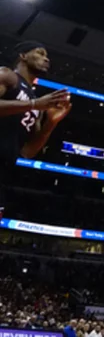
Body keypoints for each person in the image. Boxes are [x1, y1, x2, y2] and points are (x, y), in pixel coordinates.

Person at [0, 41, 71, 218]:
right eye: (40, 53)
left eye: (46, 56)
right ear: (23, 56)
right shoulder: (7, 75)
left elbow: (28, 151)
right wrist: (33, 104)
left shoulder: (38, 105)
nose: (46, 59)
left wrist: (51, 123)